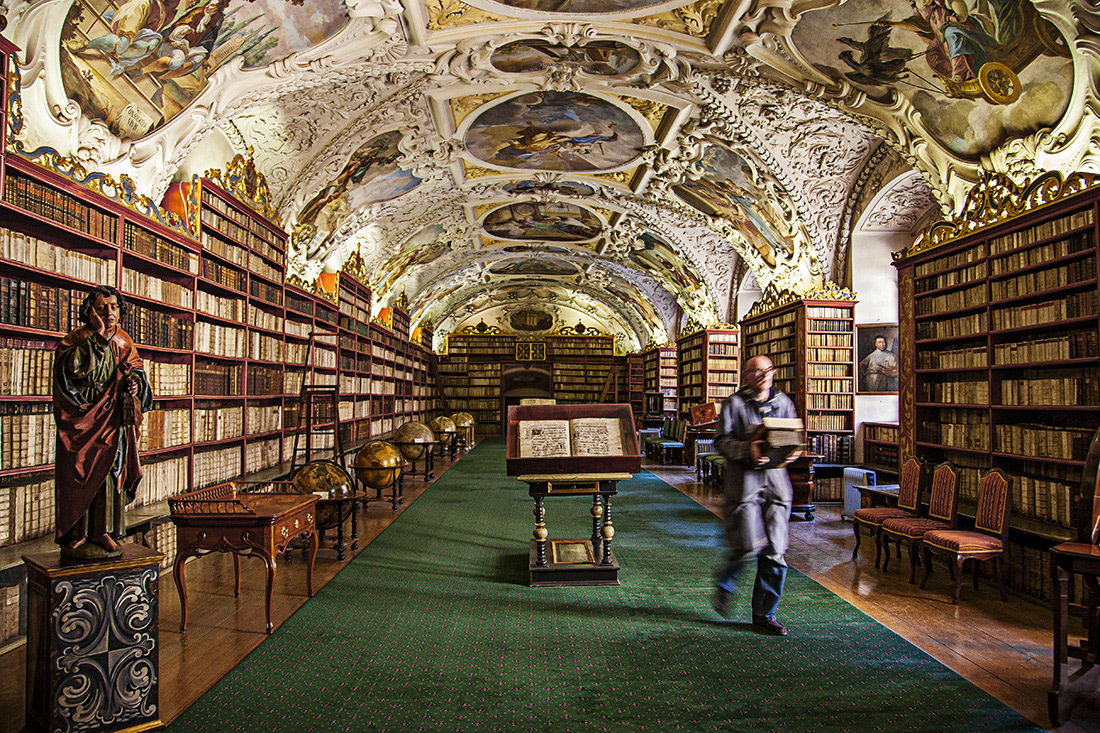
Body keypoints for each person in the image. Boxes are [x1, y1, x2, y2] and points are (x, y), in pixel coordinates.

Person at [54, 286, 152, 559]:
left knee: (110, 471)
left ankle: (103, 530)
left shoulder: (123, 340)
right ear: (90, 312)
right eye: (101, 308)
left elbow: (136, 370)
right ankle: (77, 531)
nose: (109, 313)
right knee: (78, 471)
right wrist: (96, 336)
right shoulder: (76, 338)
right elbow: (71, 371)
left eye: (114, 307)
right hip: (82, 415)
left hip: (111, 418)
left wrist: (134, 383)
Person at [712, 355, 801, 635]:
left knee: (775, 550)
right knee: (748, 546)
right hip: (745, 485)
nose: (762, 376)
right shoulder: (734, 404)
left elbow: (793, 437)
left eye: (767, 371)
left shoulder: (784, 403)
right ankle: (726, 582)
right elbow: (721, 441)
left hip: (776, 486)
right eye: (756, 371)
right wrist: (745, 449)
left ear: (773, 373)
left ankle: (765, 614)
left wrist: (792, 451)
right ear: (746, 376)